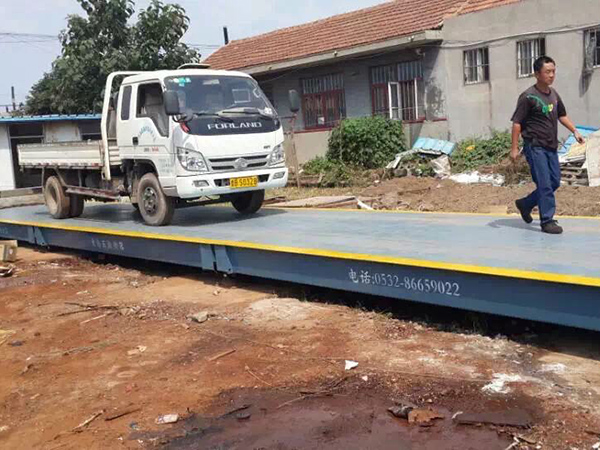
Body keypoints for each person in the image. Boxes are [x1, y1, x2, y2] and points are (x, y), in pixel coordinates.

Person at [511, 56, 585, 234]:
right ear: (537, 74)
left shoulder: (553, 94)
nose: (551, 75)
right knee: (544, 184)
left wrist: (575, 131)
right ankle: (547, 220)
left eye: (553, 71)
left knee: (554, 182)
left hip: (551, 146)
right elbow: (517, 123)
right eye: (547, 72)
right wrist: (514, 148)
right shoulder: (528, 96)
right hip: (535, 146)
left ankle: (526, 204)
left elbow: (561, 115)